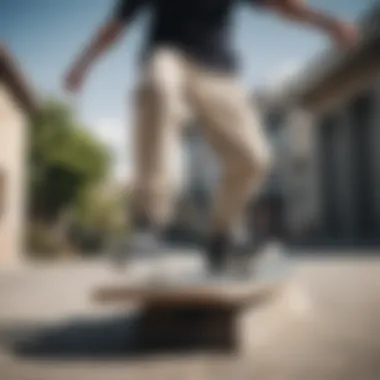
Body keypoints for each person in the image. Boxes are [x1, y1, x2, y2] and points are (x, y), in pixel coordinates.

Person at [64, 0, 358, 275]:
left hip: (218, 71)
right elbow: (114, 26)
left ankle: (221, 237)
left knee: (253, 159)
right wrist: (83, 64)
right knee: (157, 86)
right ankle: (148, 222)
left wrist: (327, 23)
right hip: (169, 57)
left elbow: (280, 3)